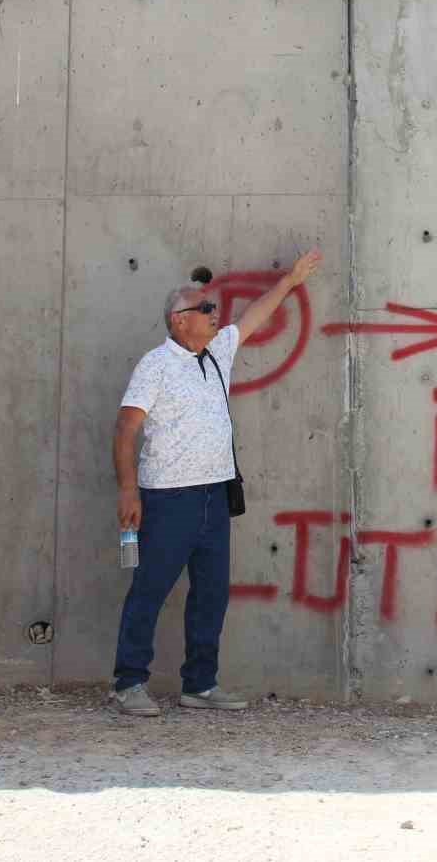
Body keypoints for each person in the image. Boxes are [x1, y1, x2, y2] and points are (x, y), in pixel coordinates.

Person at [109, 249, 323, 716]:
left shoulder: (217, 353)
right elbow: (126, 427)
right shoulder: (155, 365)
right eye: (204, 310)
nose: (214, 315)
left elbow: (254, 316)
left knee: (211, 593)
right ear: (178, 319)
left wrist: (290, 281)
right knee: (150, 589)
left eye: (213, 310)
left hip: (215, 494)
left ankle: (199, 685)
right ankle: (128, 683)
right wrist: (128, 490)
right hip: (168, 498)